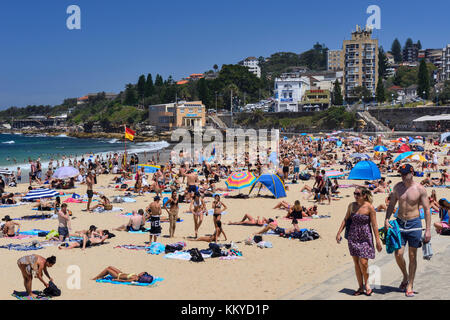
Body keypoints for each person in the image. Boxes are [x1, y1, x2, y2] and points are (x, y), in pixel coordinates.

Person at [384, 164, 431, 297]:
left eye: (405, 174)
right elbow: (392, 204)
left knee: (412, 255)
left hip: (414, 224)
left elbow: (427, 210)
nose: (403, 176)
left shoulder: (420, 189)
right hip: (399, 224)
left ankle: (410, 284)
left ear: (412, 173)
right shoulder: (397, 187)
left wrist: (427, 230)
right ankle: (405, 276)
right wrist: (387, 219)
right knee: (398, 254)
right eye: (401, 174)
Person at [336, 187, 382, 296]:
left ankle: (367, 284)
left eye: (358, 194)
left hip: (365, 237)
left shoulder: (370, 208)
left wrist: (377, 240)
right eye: (354, 193)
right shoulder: (352, 206)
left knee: (364, 262)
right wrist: (339, 233)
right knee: (356, 263)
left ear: (364, 195)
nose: (355, 196)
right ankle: (360, 287)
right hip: (353, 236)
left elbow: (374, 225)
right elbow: (345, 219)